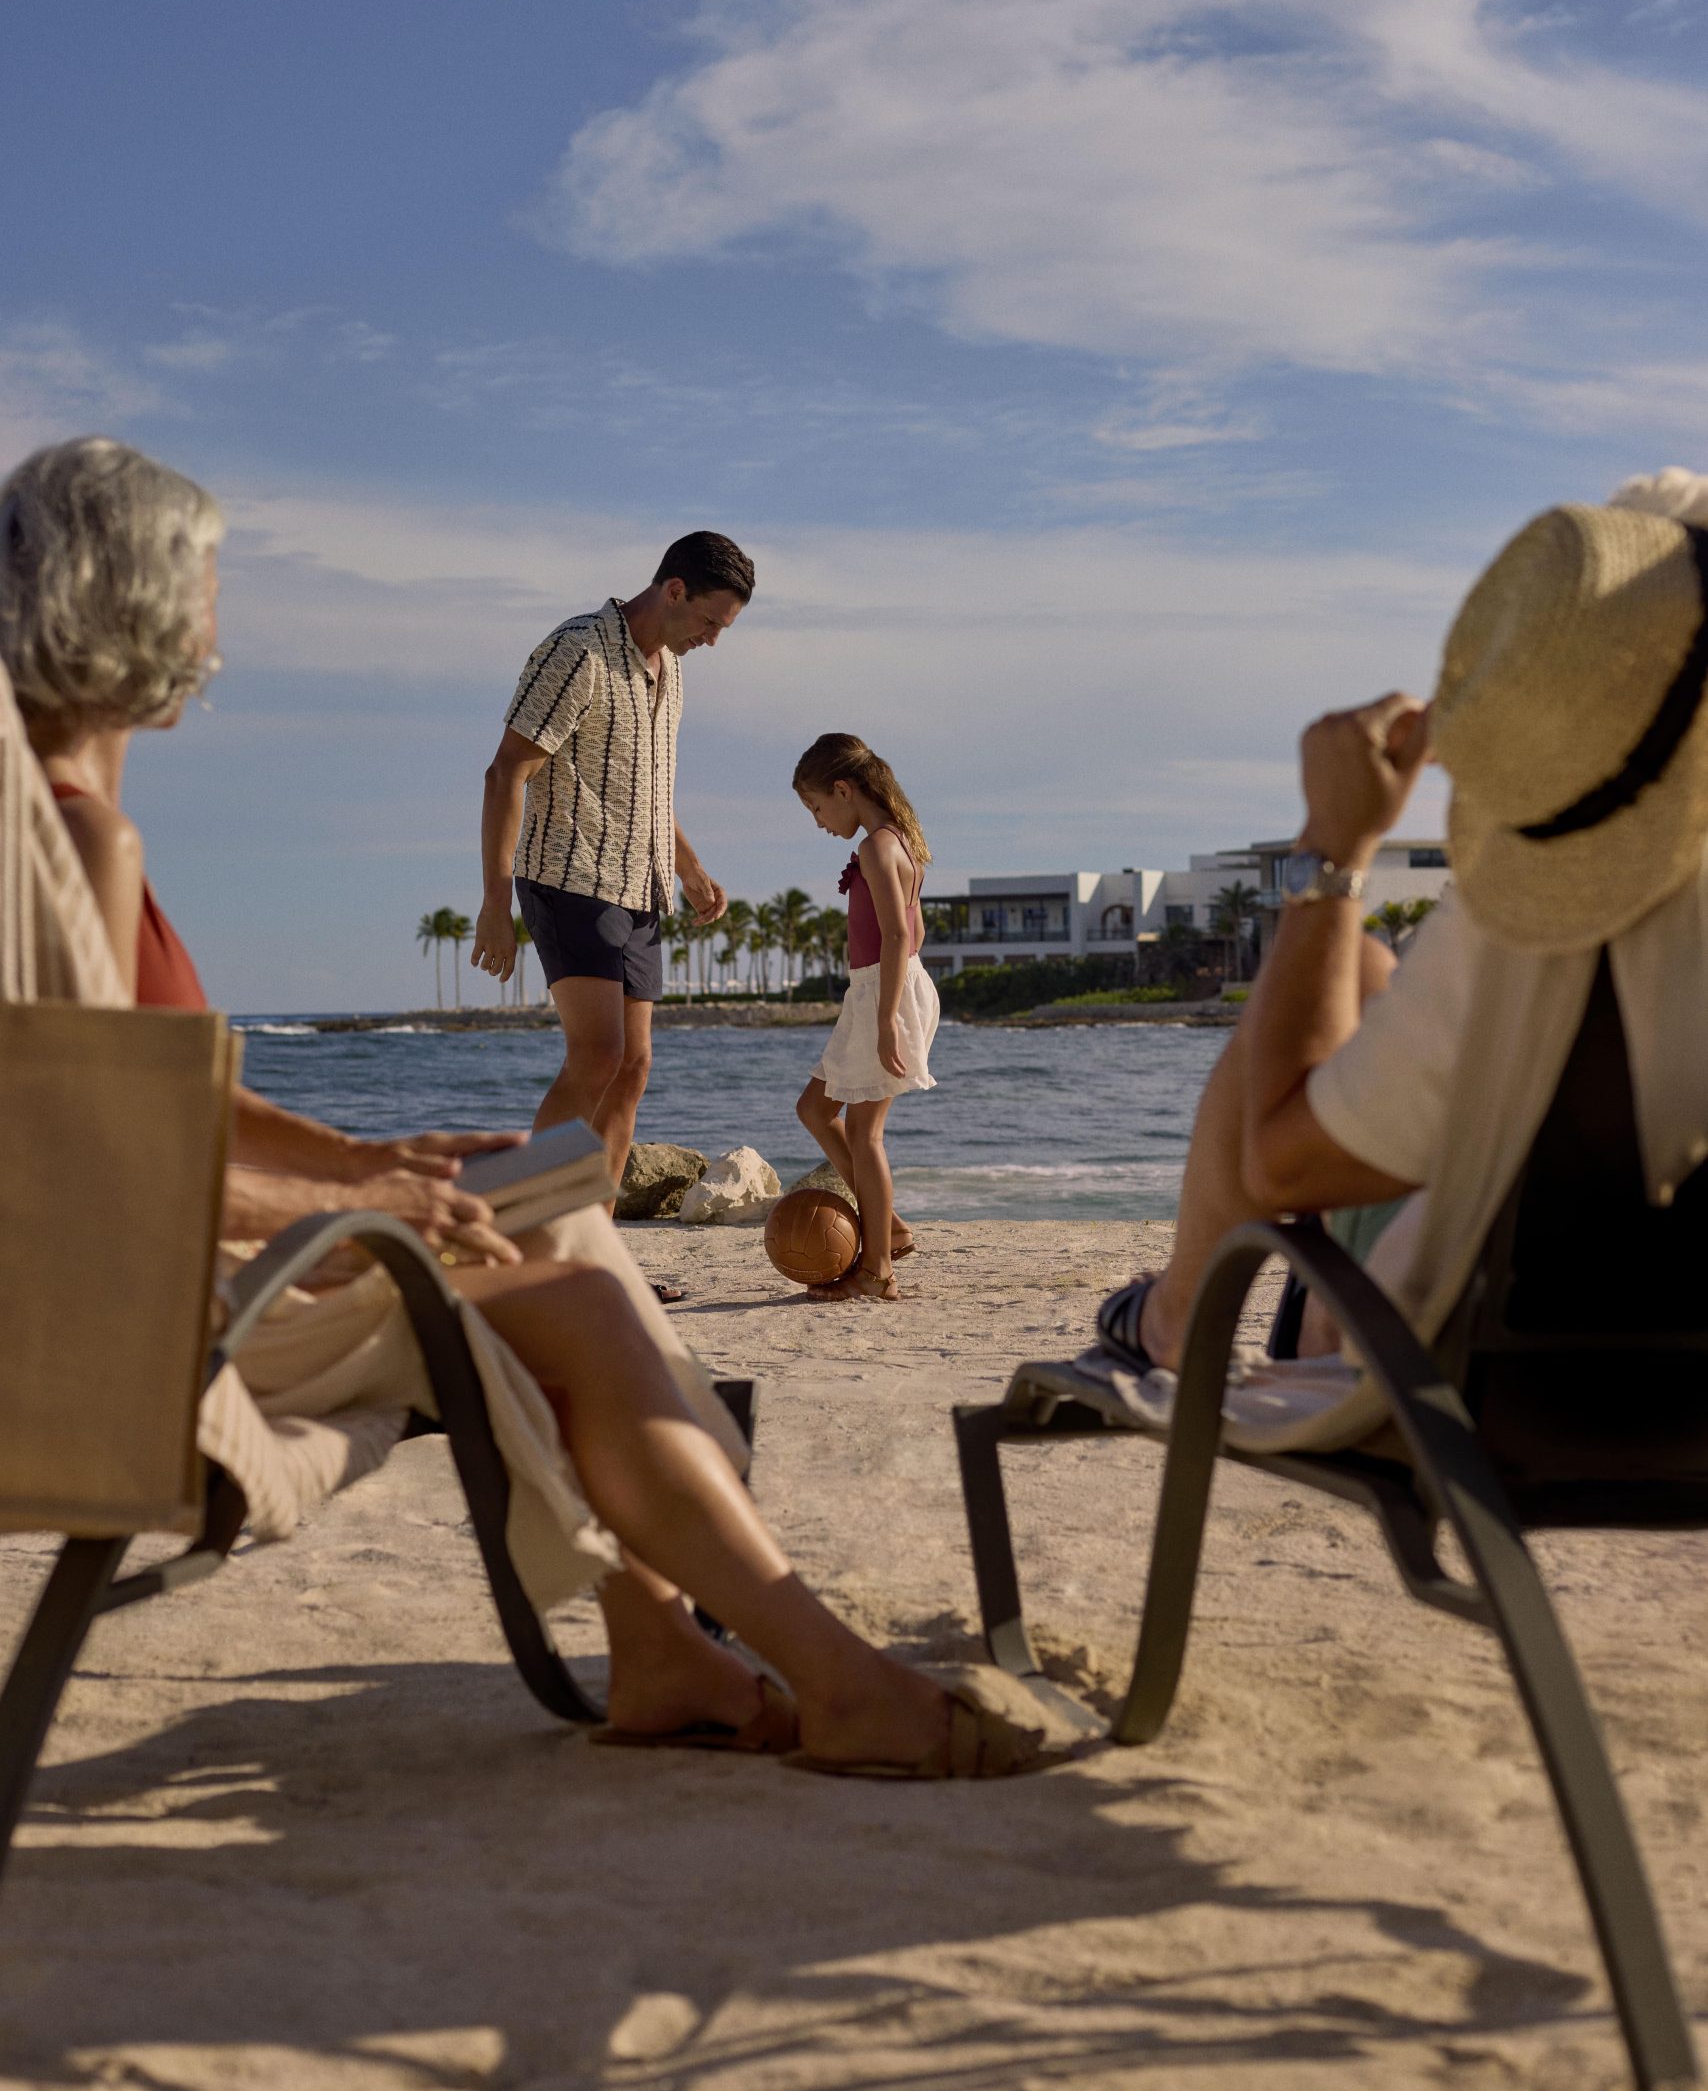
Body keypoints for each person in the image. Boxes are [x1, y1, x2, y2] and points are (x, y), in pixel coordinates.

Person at [0, 438, 1072, 1780]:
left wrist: (361, 1152)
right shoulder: (79, 847)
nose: (220, 622)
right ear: (136, 597)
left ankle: (668, 1649)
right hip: (153, 1335)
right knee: (564, 1268)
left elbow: (151, 1102)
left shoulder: (59, 827)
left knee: (556, 1203)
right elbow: (94, 1166)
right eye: (209, 586)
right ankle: (816, 1673)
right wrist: (358, 1201)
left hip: (158, 1289)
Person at [1091, 471, 1708, 1456]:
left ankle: (1173, 1314)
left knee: (1317, 1015)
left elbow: (1279, 1159)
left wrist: (1330, 853)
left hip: (1505, 1399)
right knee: (1372, 974)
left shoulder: (1519, 951)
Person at [471, 535, 751, 1205]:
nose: (712, 640)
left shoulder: (672, 672)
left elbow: (648, 785)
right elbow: (507, 770)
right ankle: (522, 1221)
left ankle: (594, 1245)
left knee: (633, 1067)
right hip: (569, 876)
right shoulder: (578, 652)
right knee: (597, 1056)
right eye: (711, 621)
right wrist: (493, 901)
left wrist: (689, 868)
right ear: (675, 590)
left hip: (641, 888)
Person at [792, 733, 940, 1302]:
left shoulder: (880, 847)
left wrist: (885, 1020)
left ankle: (878, 1269)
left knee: (864, 1131)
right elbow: (917, 932)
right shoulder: (900, 841)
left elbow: (901, 936)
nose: (820, 821)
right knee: (815, 1108)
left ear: (843, 788)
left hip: (886, 995)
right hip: (878, 991)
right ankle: (891, 1229)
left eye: (817, 806)